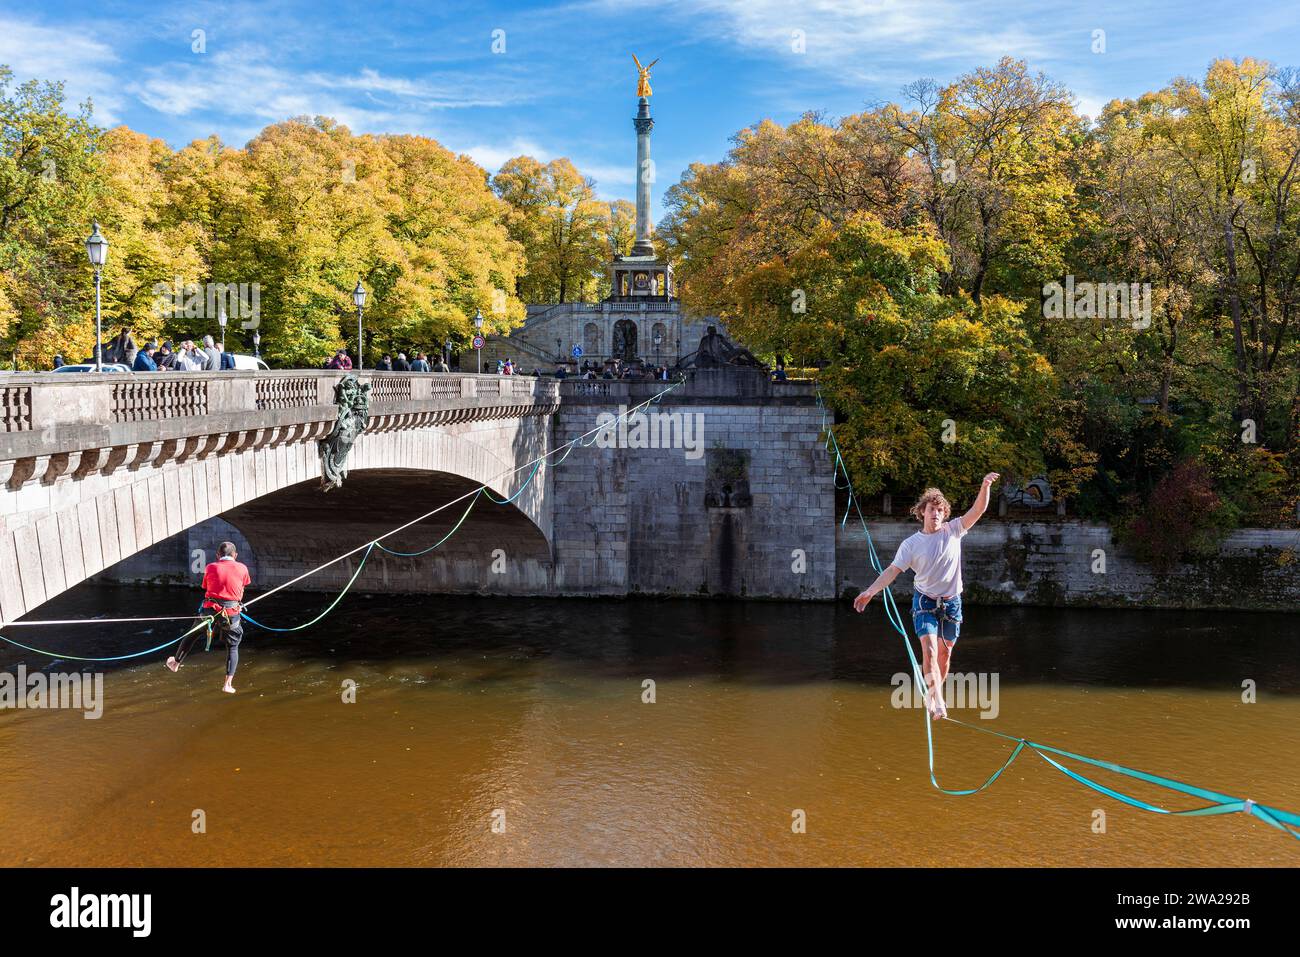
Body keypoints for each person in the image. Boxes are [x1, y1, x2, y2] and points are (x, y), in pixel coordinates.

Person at [853, 474, 1000, 720]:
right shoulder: (911, 545)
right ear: (922, 512)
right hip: (925, 601)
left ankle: (933, 691)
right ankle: (937, 699)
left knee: (945, 653)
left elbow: (978, 510)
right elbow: (891, 571)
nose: (937, 514)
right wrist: (870, 591)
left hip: (952, 602)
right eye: (932, 509)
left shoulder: (954, 530)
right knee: (930, 650)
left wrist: (985, 486)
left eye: (940, 510)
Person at [166, 541, 252, 694]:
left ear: (218, 555)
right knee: (232, 647)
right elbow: (242, 587)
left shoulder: (211, 567)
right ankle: (227, 684)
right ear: (235, 555)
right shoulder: (242, 568)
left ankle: (176, 663)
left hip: (209, 611)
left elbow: (205, 587)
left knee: (192, 634)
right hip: (231, 612)